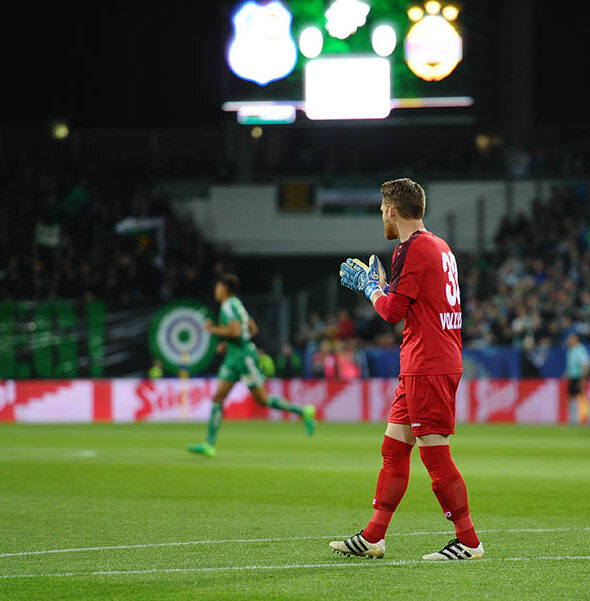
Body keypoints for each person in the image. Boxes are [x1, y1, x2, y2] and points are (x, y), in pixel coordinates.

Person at [330, 178, 483, 561]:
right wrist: (384, 286)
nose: (382, 216)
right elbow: (414, 302)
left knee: (434, 453)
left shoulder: (410, 248)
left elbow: (392, 312)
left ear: (392, 211)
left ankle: (469, 542)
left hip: (427, 363)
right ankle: (373, 537)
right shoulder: (440, 246)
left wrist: (371, 289)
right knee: (394, 447)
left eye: (382, 210)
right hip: (427, 360)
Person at [186, 274, 316, 457]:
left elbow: (236, 331)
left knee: (262, 400)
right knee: (218, 398)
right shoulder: (237, 304)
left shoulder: (228, 305)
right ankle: (209, 444)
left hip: (243, 358)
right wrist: (230, 343)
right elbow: (252, 329)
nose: (215, 290)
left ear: (225, 288)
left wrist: (212, 329)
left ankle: (303, 412)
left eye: (218, 287)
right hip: (234, 356)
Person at [564, 332, 590, 426]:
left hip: (579, 377)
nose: (569, 341)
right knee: (572, 398)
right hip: (573, 377)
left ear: (576, 339)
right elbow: (571, 366)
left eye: (571, 339)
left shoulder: (580, 350)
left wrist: (583, 379)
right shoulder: (571, 350)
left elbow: (585, 365)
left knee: (582, 398)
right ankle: (573, 420)